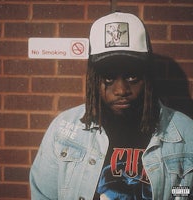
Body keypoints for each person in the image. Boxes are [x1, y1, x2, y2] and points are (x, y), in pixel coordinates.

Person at [30, 12, 193, 200]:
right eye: (108, 77)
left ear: (147, 76)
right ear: (93, 79)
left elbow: (184, 193)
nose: (121, 89)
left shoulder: (186, 134)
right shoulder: (64, 130)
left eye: (132, 76)